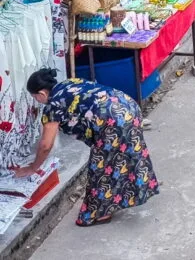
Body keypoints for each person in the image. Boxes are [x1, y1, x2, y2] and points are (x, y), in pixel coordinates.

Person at [14, 69, 159, 227]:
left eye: (35, 98)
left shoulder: (53, 105)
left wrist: (33, 167)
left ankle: (100, 213)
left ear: (41, 94)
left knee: (101, 169)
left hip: (111, 122)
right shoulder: (69, 83)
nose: (37, 101)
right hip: (128, 107)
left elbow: (45, 146)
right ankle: (137, 192)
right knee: (128, 155)